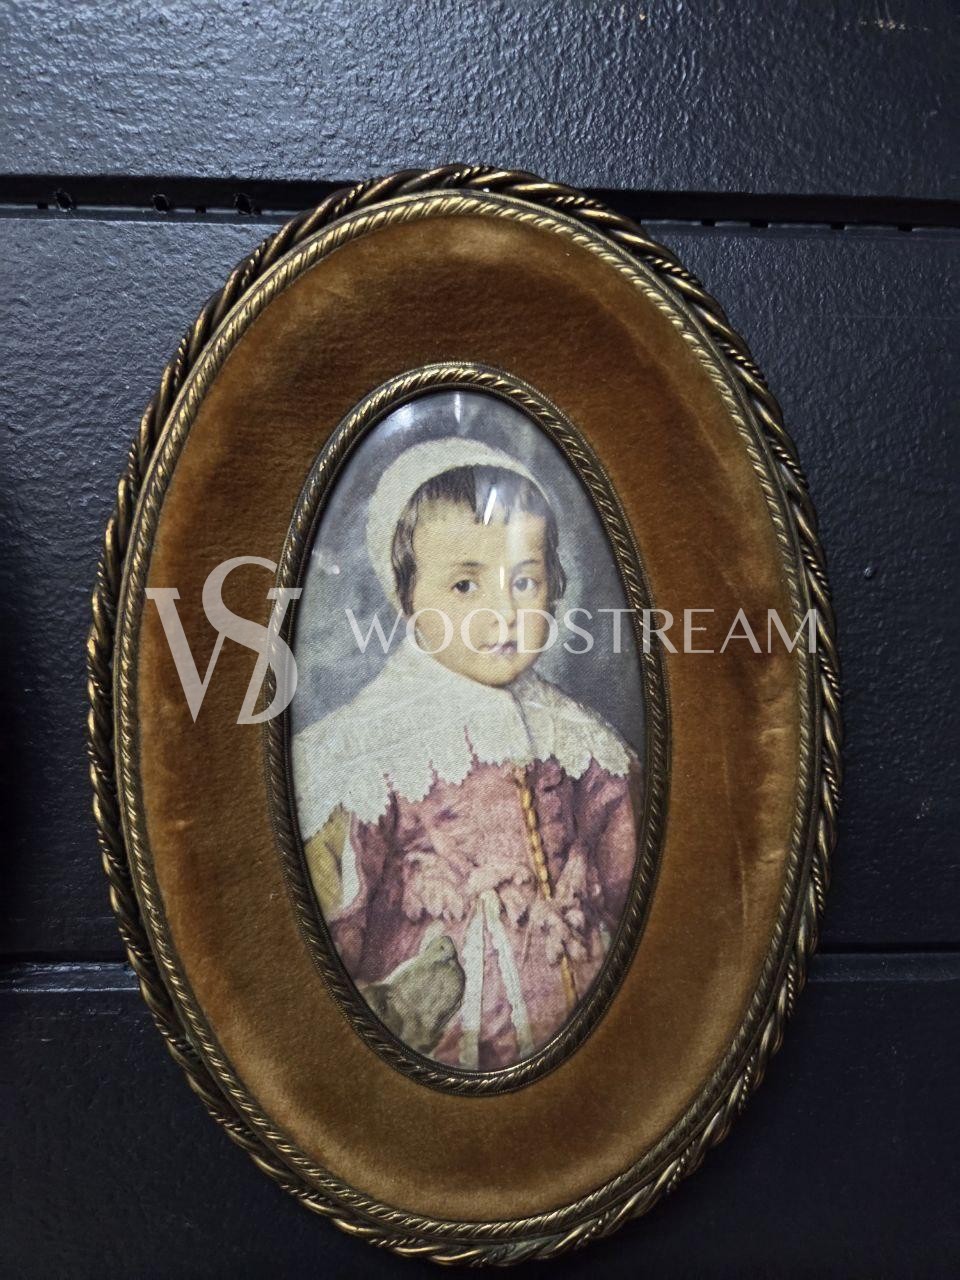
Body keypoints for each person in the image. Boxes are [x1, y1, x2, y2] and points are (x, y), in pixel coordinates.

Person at [292, 437, 641, 1070]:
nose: (503, 612)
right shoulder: (369, 750)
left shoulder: (579, 738)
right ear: (405, 599)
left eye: (524, 581)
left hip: (593, 1035)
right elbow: (330, 930)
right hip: (444, 1038)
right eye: (464, 585)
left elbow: (631, 878)